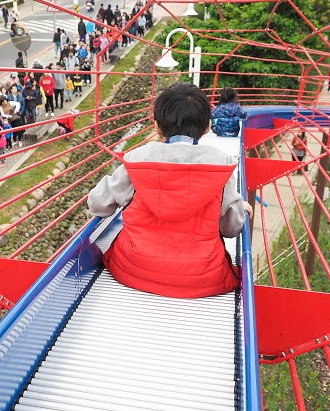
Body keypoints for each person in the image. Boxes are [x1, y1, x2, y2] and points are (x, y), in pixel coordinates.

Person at [87, 82, 251, 298]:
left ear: (157, 126)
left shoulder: (138, 161)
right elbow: (230, 228)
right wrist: (242, 208)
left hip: (133, 267)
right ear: (207, 128)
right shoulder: (219, 168)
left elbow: (98, 203)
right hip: (200, 277)